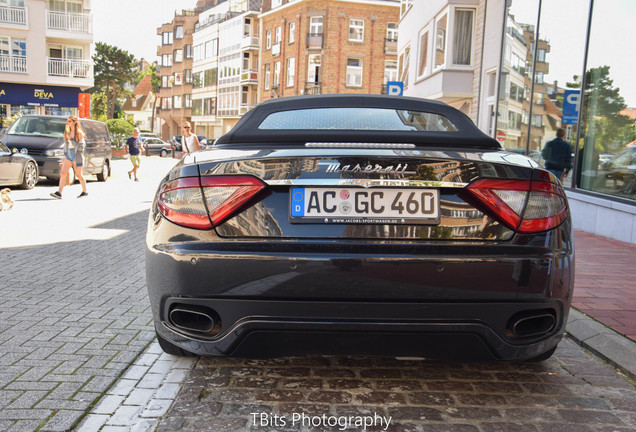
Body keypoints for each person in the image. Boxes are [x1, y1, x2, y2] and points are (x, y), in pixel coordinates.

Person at [50, 116, 88, 199]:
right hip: (69, 155)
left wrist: (70, 139)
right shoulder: (68, 131)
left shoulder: (79, 133)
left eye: (69, 121)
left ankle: (84, 191)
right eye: (67, 121)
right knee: (63, 173)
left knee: (78, 174)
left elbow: (81, 146)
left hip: (76, 154)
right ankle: (59, 192)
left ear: (74, 122)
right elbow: (66, 144)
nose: (67, 122)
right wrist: (65, 154)